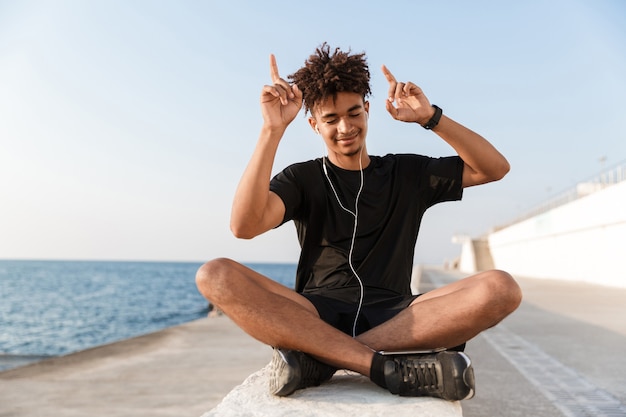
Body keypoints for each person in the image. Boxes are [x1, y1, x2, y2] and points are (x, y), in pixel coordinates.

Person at [196, 43, 522, 400]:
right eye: (331, 119)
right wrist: (271, 130)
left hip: (397, 318)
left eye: (354, 113)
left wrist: (431, 117)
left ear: (368, 110)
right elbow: (244, 226)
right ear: (313, 125)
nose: (345, 127)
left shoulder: (407, 172)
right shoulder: (301, 179)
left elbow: (494, 168)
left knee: (501, 288)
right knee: (214, 274)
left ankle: (322, 360)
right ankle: (381, 367)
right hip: (314, 313)